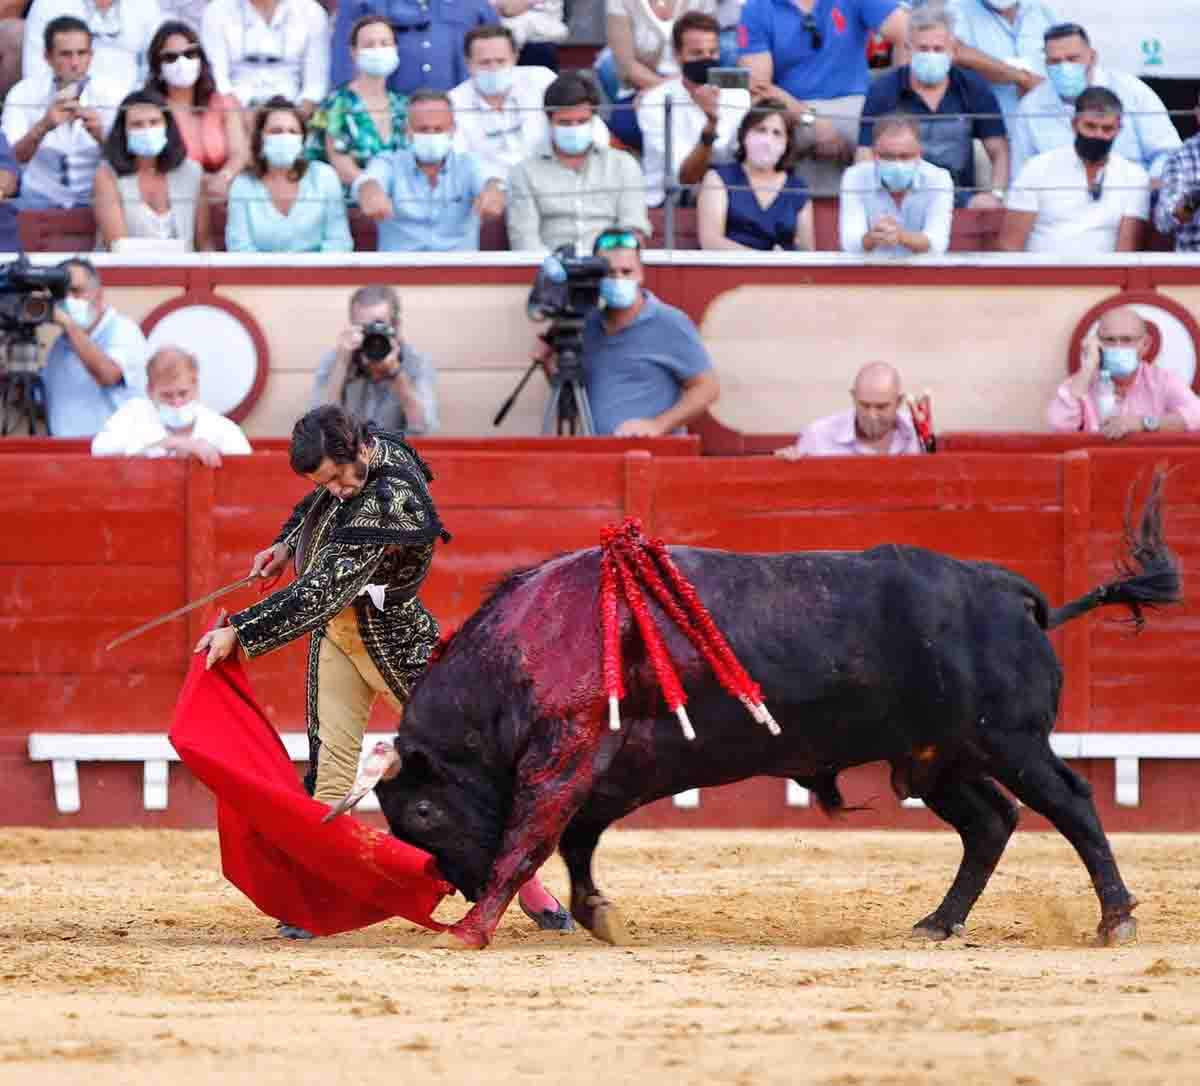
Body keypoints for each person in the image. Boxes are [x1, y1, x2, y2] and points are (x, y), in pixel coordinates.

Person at [194, 404, 573, 933]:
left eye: (337, 478)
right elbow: (319, 505)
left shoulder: (393, 502)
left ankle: (529, 890)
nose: (336, 490)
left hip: (396, 641)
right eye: (325, 481)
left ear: (358, 451)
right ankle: (315, 898)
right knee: (330, 773)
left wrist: (242, 629)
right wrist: (286, 543)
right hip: (339, 639)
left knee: (461, 771)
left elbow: (323, 589)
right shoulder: (359, 463)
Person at [535, 228, 719, 436]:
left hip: (653, 457)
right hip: (600, 455)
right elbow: (573, 403)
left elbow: (707, 388)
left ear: (641, 273)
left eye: (626, 271)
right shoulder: (587, 324)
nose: (618, 279)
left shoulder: (669, 322)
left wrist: (658, 425)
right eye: (610, 273)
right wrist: (549, 364)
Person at [737, 0, 909, 196]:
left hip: (856, 106)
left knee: (891, 141)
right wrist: (812, 120)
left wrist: (897, 90)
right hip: (791, 110)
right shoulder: (757, 8)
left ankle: (875, 215)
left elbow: (910, 34)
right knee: (745, 145)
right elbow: (760, 88)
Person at [857, 5, 1008, 209]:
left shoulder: (972, 87)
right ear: (909, 49)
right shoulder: (883, 89)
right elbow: (865, 153)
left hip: (963, 202)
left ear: (953, 50)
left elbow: (999, 150)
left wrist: (996, 195)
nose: (931, 55)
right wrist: (874, 203)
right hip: (898, 199)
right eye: (923, 49)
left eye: (938, 49)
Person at [1009, 22, 1181, 182]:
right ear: (1045, 63)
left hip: (1131, 197)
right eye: (1055, 61)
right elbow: (1022, 175)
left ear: (1092, 57)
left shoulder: (1132, 91)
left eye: (1072, 59)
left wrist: (1144, 194)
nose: (1064, 67)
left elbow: (1168, 155)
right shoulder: (1031, 106)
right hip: (1060, 205)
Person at [507, 73, 650, 252]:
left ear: (594, 119)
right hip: (550, 271)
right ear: (549, 120)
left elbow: (633, 229)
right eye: (565, 123)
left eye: (582, 121)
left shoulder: (623, 165)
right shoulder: (523, 172)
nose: (574, 128)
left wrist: (607, 265)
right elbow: (524, 241)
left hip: (609, 268)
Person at [999, 86, 1149, 254]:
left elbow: (1125, 253)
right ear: (1074, 124)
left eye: (1107, 129)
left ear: (1118, 130)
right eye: (1090, 126)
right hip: (1042, 276)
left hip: (1105, 278)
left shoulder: (1134, 177)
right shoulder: (1037, 168)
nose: (1098, 135)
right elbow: (1010, 246)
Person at [354, 87, 504, 252]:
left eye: (439, 129)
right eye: (423, 129)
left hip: (458, 271)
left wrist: (494, 190)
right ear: (408, 130)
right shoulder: (389, 162)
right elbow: (368, 181)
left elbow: (491, 180)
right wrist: (370, 191)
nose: (431, 135)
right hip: (399, 271)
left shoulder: (469, 164)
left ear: (453, 129)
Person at [2, 16, 122, 209]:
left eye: (81, 53)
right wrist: (42, 127)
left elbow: (130, 164)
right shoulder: (23, 93)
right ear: (47, 57)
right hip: (36, 200)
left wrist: (102, 136)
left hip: (95, 202)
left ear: (91, 55)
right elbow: (8, 161)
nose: (75, 63)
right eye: (66, 55)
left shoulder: (113, 94)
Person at [637, 11, 745, 208]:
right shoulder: (655, 101)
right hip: (669, 199)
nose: (706, 59)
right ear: (678, 56)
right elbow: (687, 177)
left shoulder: (737, 93)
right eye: (697, 53)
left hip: (728, 193)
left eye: (712, 52)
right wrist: (711, 122)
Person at [1046, 306, 1200, 440]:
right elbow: (1059, 425)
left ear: (1145, 344)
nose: (1118, 347)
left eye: (1127, 340)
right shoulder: (1084, 382)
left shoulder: (1162, 380)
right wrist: (1087, 367)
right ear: (1097, 343)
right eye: (1110, 340)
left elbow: (1197, 414)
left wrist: (1142, 423)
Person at [225, 95, 352, 252]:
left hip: (318, 275)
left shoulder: (324, 177)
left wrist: (306, 274)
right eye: (276, 131)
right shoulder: (243, 185)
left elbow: (339, 242)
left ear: (302, 140)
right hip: (259, 276)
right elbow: (239, 248)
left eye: (293, 132)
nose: (285, 137)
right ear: (260, 138)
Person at [310, 284, 440, 434]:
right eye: (364, 328)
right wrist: (342, 366)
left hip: (397, 453)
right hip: (348, 454)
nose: (373, 337)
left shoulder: (416, 362)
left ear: (397, 327)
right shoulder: (336, 360)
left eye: (379, 326)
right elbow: (318, 430)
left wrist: (396, 374)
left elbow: (425, 431)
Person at [42, 257, 150, 437]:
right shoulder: (61, 344)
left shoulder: (122, 330)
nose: (68, 300)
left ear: (98, 294)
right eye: (61, 294)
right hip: (69, 455)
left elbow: (107, 374)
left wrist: (69, 325)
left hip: (113, 456)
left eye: (76, 291)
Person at [145, 19, 250, 202]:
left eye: (190, 53)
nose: (182, 62)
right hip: (175, 195)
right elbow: (157, 164)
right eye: (171, 57)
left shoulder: (222, 102)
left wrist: (224, 177)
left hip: (225, 189)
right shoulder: (152, 110)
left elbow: (239, 153)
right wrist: (202, 183)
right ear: (157, 67)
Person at [304, 14, 409, 194]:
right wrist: (372, 189)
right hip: (349, 205)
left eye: (385, 43)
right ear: (354, 52)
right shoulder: (335, 104)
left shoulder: (403, 105)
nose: (378, 49)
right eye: (369, 44)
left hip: (398, 205)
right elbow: (339, 162)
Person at [93, 88, 209, 250]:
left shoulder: (192, 173)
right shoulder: (107, 176)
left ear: (167, 126)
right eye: (137, 125)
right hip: (126, 272)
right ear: (123, 132)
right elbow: (118, 247)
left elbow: (203, 244)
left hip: (185, 273)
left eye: (154, 122)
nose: (147, 130)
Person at [91, 344, 252, 460]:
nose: (177, 402)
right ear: (150, 390)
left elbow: (246, 464)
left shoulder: (218, 426)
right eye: (167, 395)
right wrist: (169, 443)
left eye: (183, 393)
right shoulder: (135, 412)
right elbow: (100, 448)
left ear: (195, 386)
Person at [598, 0, 717, 151]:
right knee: (626, 126)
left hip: (694, 84)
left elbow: (707, 55)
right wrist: (660, 91)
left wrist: (667, 89)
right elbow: (627, 65)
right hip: (639, 86)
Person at [697, 97, 812, 250]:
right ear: (745, 134)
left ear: (787, 143)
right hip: (731, 271)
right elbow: (711, 242)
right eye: (760, 129)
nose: (767, 140)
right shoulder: (718, 179)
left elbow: (808, 253)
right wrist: (766, 262)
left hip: (784, 272)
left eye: (777, 133)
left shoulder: (797, 189)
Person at [447, 25, 555, 187]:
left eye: (501, 61)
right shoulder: (454, 102)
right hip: (486, 191)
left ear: (515, 57)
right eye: (484, 63)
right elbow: (459, 161)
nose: (494, 69)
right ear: (468, 64)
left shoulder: (542, 80)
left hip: (546, 181)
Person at [329, 0, 498, 98]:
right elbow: (344, 62)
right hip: (390, 116)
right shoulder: (360, 3)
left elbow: (497, 49)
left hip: (460, 112)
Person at [839, 115, 953, 255]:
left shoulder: (939, 178)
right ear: (874, 154)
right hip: (870, 271)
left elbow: (937, 244)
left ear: (919, 154)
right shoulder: (855, 177)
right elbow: (850, 244)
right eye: (887, 156)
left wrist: (901, 237)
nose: (897, 164)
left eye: (905, 156)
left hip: (922, 274)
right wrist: (873, 237)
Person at [201, 0, 329, 118]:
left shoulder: (312, 12)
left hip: (293, 114)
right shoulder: (216, 11)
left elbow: (315, 87)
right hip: (233, 116)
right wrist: (241, 122)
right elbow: (220, 81)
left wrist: (289, 123)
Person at [937, 0, 1058, 125]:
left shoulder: (1040, 9)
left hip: (1048, 121)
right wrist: (1022, 78)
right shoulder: (958, 9)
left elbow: (1068, 48)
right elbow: (956, 51)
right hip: (996, 126)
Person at [774, 361, 923, 457]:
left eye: (881, 407)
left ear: (899, 402)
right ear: (853, 397)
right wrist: (784, 467)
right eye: (864, 405)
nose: (872, 415)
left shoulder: (918, 434)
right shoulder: (818, 436)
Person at [23, 0, 164, 97]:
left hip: (133, 109)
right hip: (64, 103)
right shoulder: (47, 4)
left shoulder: (145, 4)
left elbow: (154, 64)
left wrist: (139, 102)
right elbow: (36, 72)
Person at [1154, 93, 1200, 254]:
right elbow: (1164, 221)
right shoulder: (1180, 157)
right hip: (1194, 263)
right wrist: (1195, 197)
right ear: (1198, 115)